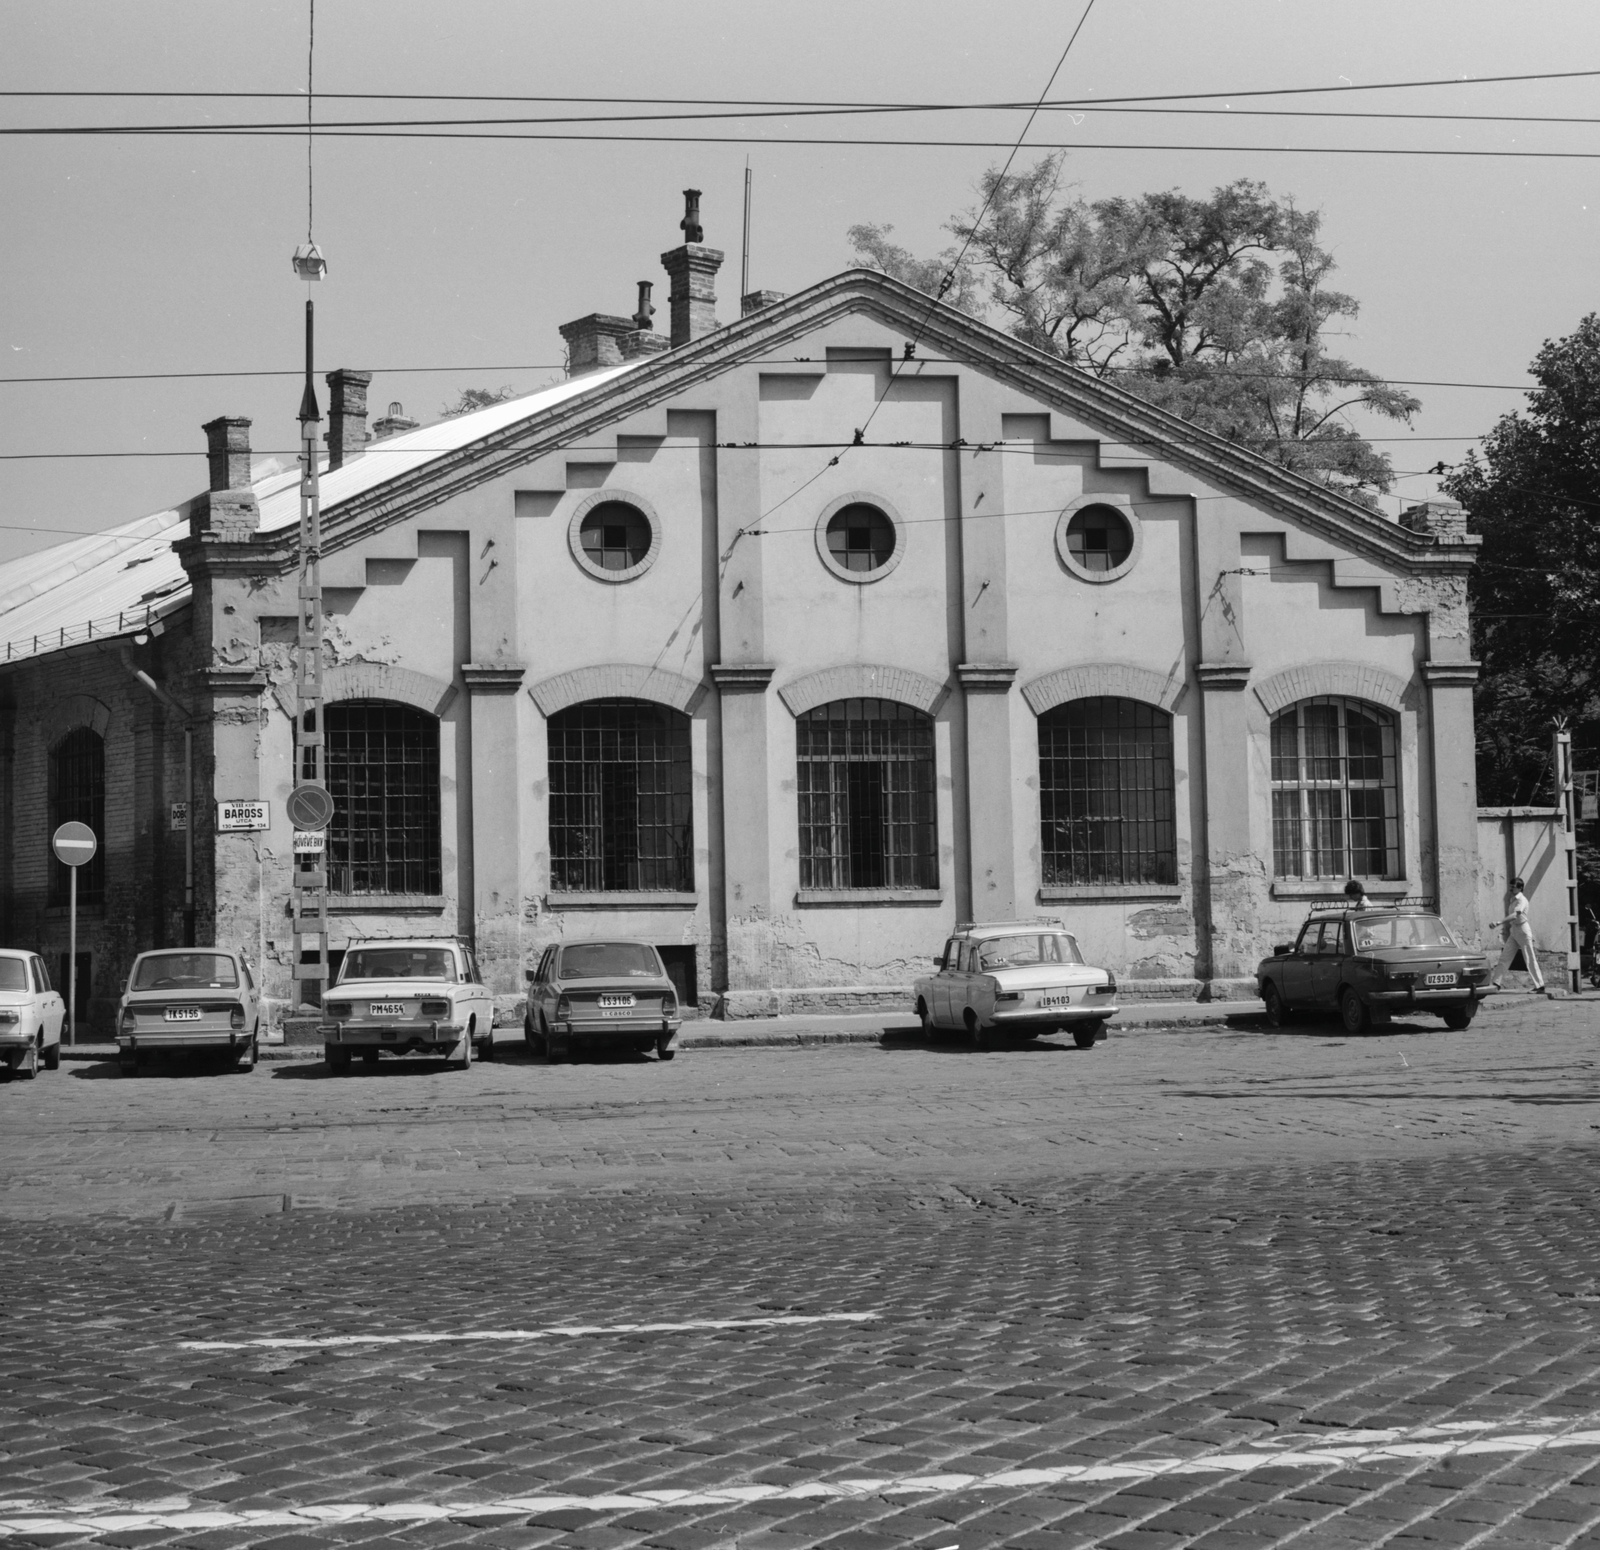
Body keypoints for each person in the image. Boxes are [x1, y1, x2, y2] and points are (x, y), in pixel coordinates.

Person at [1492, 876, 1551, 995]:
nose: (1511, 889)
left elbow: (1515, 915)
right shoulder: (1513, 899)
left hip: (1523, 931)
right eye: (1510, 887)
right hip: (1515, 930)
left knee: (1529, 958)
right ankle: (1495, 984)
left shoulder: (1522, 900)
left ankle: (1540, 986)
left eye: (1513, 887)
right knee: (1505, 957)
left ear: (1520, 888)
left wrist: (1499, 922)